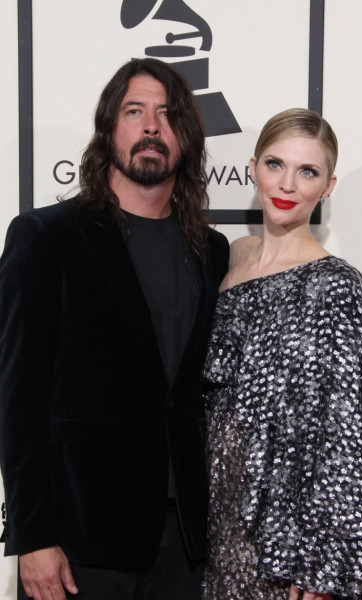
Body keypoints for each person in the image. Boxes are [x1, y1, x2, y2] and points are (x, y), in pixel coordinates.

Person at [0, 58, 229, 600]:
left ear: (187, 137)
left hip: (187, 541)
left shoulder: (212, 252)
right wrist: (32, 537)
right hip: (81, 543)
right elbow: (18, 396)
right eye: (135, 111)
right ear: (110, 129)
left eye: (168, 114)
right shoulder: (45, 236)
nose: (152, 126)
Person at [201, 108, 362, 600]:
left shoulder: (339, 287)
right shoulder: (228, 257)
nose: (287, 183)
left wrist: (322, 572)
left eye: (307, 171)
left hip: (285, 542)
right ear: (252, 168)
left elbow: (349, 436)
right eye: (275, 164)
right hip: (214, 520)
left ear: (327, 186)